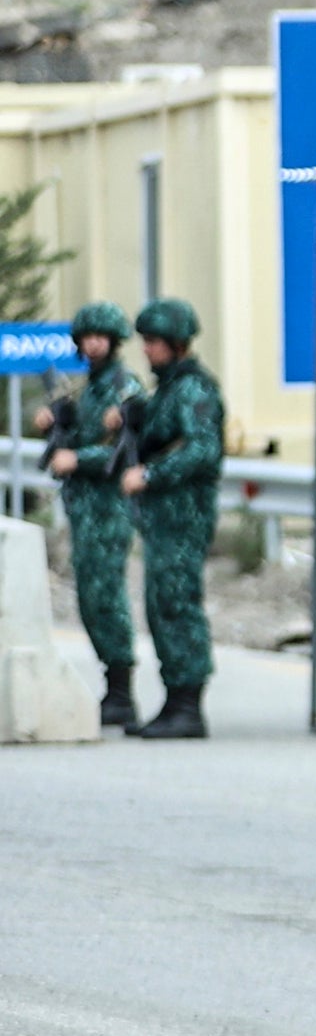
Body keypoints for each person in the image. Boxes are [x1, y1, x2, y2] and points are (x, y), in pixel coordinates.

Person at [27, 299, 140, 731]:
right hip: (85, 508)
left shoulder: (123, 387)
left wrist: (79, 458)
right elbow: (81, 431)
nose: (93, 345)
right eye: (86, 338)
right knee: (90, 597)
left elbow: (123, 445)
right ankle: (112, 688)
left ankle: (121, 690)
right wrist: (55, 425)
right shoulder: (87, 388)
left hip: (108, 506)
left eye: (100, 337)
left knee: (106, 594)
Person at [116, 297, 223, 741]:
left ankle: (187, 705)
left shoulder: (194, 390)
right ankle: (175, 699)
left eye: (154, 342)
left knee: (177, 604)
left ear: (177, 344)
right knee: (162, 604)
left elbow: (203, 449)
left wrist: (151, 474)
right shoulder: (168, 389)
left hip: (183, 517)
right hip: (163, 519)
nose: (147, 350)